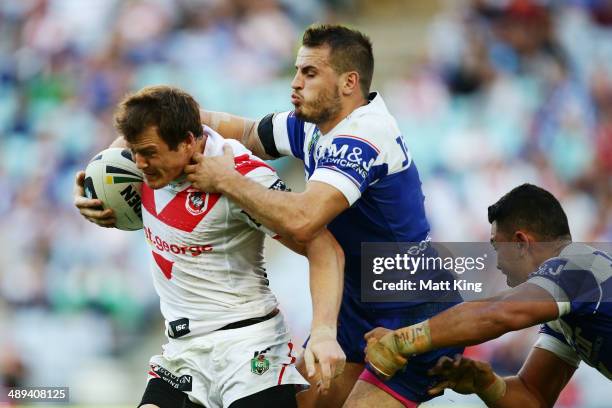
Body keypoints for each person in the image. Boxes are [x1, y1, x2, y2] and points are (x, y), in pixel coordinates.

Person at [178, 24, 464, 407]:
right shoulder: (316, 125)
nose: (295, 83)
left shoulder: (363, 136)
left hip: (411, 309)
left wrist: (228, 181)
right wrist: (165, 121)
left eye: (309, 73)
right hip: (358, 302)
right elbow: (245, 131)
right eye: (297, 71)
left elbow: (304, 219)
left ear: (349, 82)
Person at [73, 85, 345, 408]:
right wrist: (94, 188)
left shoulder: (241, 176)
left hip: (248, 351)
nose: (139, 164)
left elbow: (323, 247)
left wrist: (325, 331)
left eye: (148, 153)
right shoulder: (138, 161)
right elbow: (123, 150)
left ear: (189, 141)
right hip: (182, 354)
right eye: (134, 152)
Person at [365, 183, 612, 407]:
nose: (497, 264)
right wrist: (487, 383)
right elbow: (533, 398)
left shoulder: (580, 266)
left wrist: (401, 341)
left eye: (496, 247)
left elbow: (497, 313)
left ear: (520, 242)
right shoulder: (566, 309)